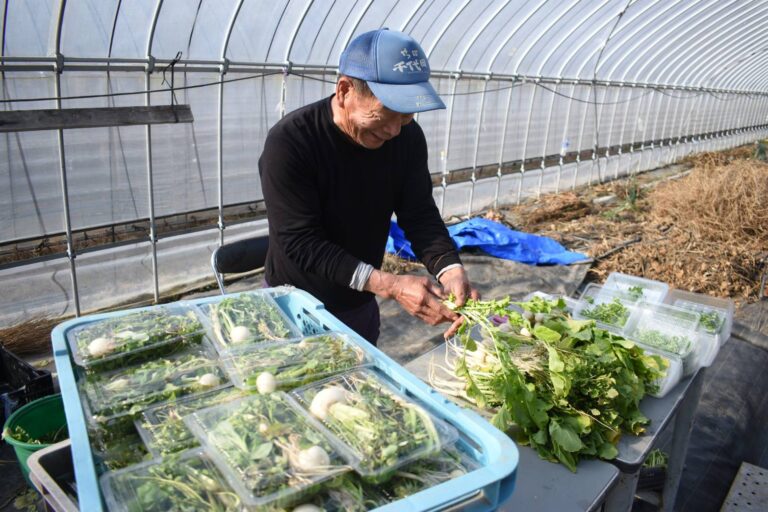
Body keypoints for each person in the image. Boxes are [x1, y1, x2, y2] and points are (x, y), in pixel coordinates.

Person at [259, 28, 478, 345]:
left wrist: (450, 268)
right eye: (383, 114)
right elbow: (300, 241)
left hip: (358, 305)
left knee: (357, 391)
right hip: (294, 306)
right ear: (345, 90)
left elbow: (418, 214)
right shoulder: (292, 142)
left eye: (404, 116)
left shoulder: (408, 138)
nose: (393, 130)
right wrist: (389, 285)